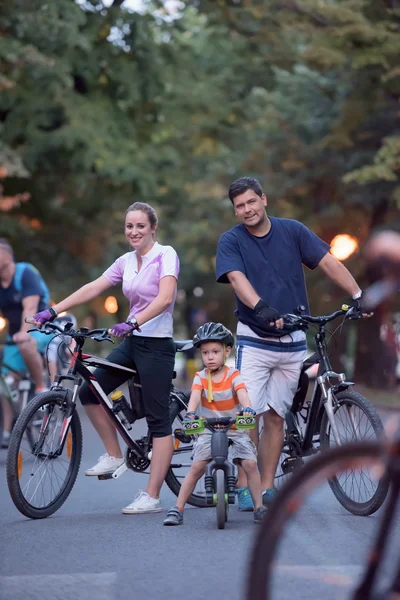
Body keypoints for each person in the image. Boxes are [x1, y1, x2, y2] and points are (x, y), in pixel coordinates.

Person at [216, 177, 366, 511]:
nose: (246, 210)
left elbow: (328, 262)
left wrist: (357, 294)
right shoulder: (231, 241)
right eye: (239, 206)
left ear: (264, 200)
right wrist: (260, 307)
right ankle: (245, 482)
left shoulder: (293, 231)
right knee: (247, 415)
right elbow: (237, 280)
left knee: (275, 417)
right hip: (254, 341)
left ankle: (266, 487)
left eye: (251, 202)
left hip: (293, 341)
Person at [32, 202, 180, 515]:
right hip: (133, 342)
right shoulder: (126, 261)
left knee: (158, 421)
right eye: (129, 226)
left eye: (141, 225)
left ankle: (152, 496)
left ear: (153, 228)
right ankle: (113, 454)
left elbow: (166, 298)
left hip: (156, 345)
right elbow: (94, 287)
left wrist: (134, 321)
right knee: (89, 392)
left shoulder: (165, 254)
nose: (134, 231)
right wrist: (53, 310)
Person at [163, 322, 267, 526]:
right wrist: (191, 413)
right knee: (197, 466)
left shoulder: (233, 375)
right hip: (209, 428)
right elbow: (194, 397)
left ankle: (259, 507)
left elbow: (242, 393)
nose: (210, 357)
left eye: (215, 352)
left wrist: (247, 408)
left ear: (227, 351)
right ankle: (178, 508)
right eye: (205, 353)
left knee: (250, 464)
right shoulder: (201, 377)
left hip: (234, 427)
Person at [0, 239, 50, 447]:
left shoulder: (24, 274)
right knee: (5, 383)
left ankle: (41, 389)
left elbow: (30, 308)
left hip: (38, 328)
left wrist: (24, 332)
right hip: (13, 334)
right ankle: (7, 429)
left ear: (8, 257)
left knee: (25, 343)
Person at [47, 313, 77, 381]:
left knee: (53, 350)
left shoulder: (68, 319)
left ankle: (53, 382)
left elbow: (73, 336)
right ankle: (53, 382)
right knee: (51, 350)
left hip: (59, 343)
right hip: (52, 342)